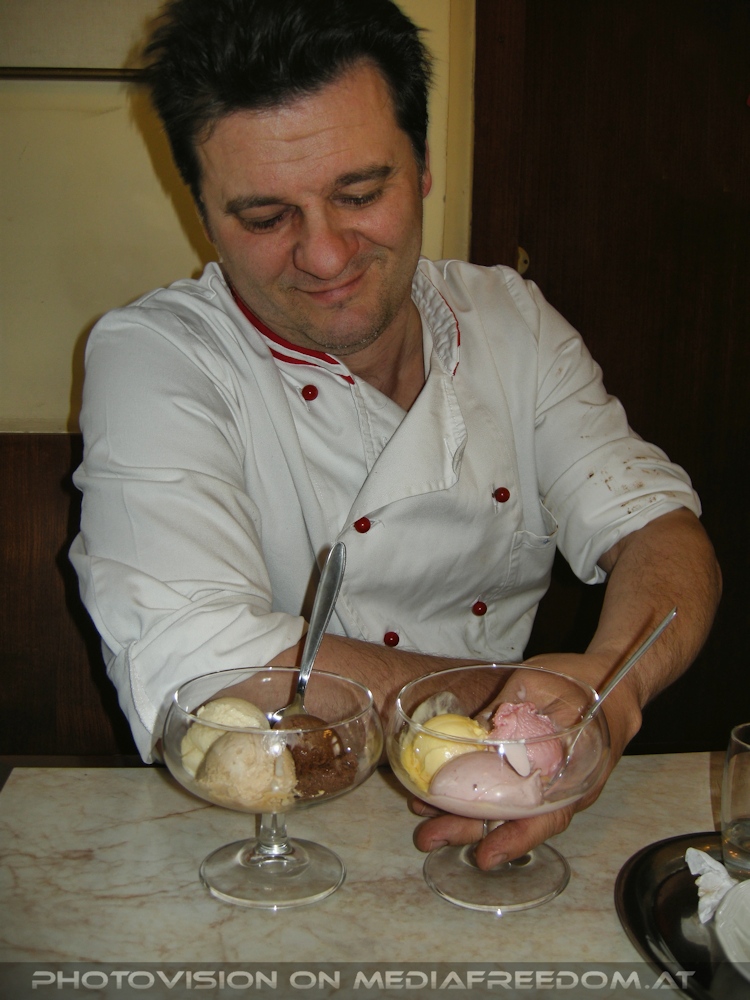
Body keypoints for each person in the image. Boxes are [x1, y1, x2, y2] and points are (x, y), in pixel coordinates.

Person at [70, 0, 720, 869]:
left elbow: (659, 529)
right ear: (203, 215)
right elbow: (199, 663)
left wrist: (614, 685)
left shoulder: (511, 322)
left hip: (507, 795)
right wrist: (518, 714)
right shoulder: (156, 356)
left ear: (421, 169)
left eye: (359, 194)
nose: (324, 255)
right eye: (264, 218)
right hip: (263, 832)